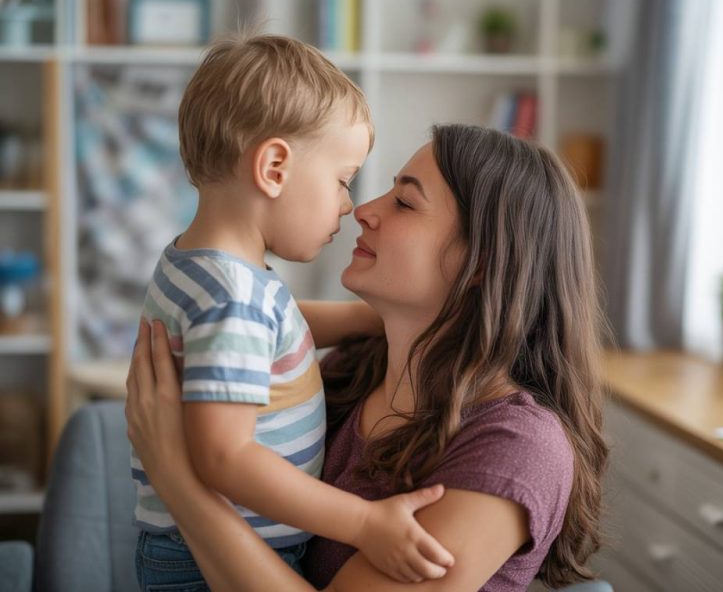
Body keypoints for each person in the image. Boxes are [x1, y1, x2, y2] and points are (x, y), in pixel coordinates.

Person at [127, 123, 609, 591]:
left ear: (481, 262)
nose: (363, 210)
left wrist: (177, 479)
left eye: (405, 202)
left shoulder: (519, 448)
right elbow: (246, 321)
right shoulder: (353, 369)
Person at [131, 33, 456, 591]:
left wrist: (368, 319)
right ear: (274, 167)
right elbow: (224, 456)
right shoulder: (232, 296)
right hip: (209, 559)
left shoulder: (209, 268)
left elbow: (282, 327)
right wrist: (364, 522)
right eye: (342, 180)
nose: (349, 205)